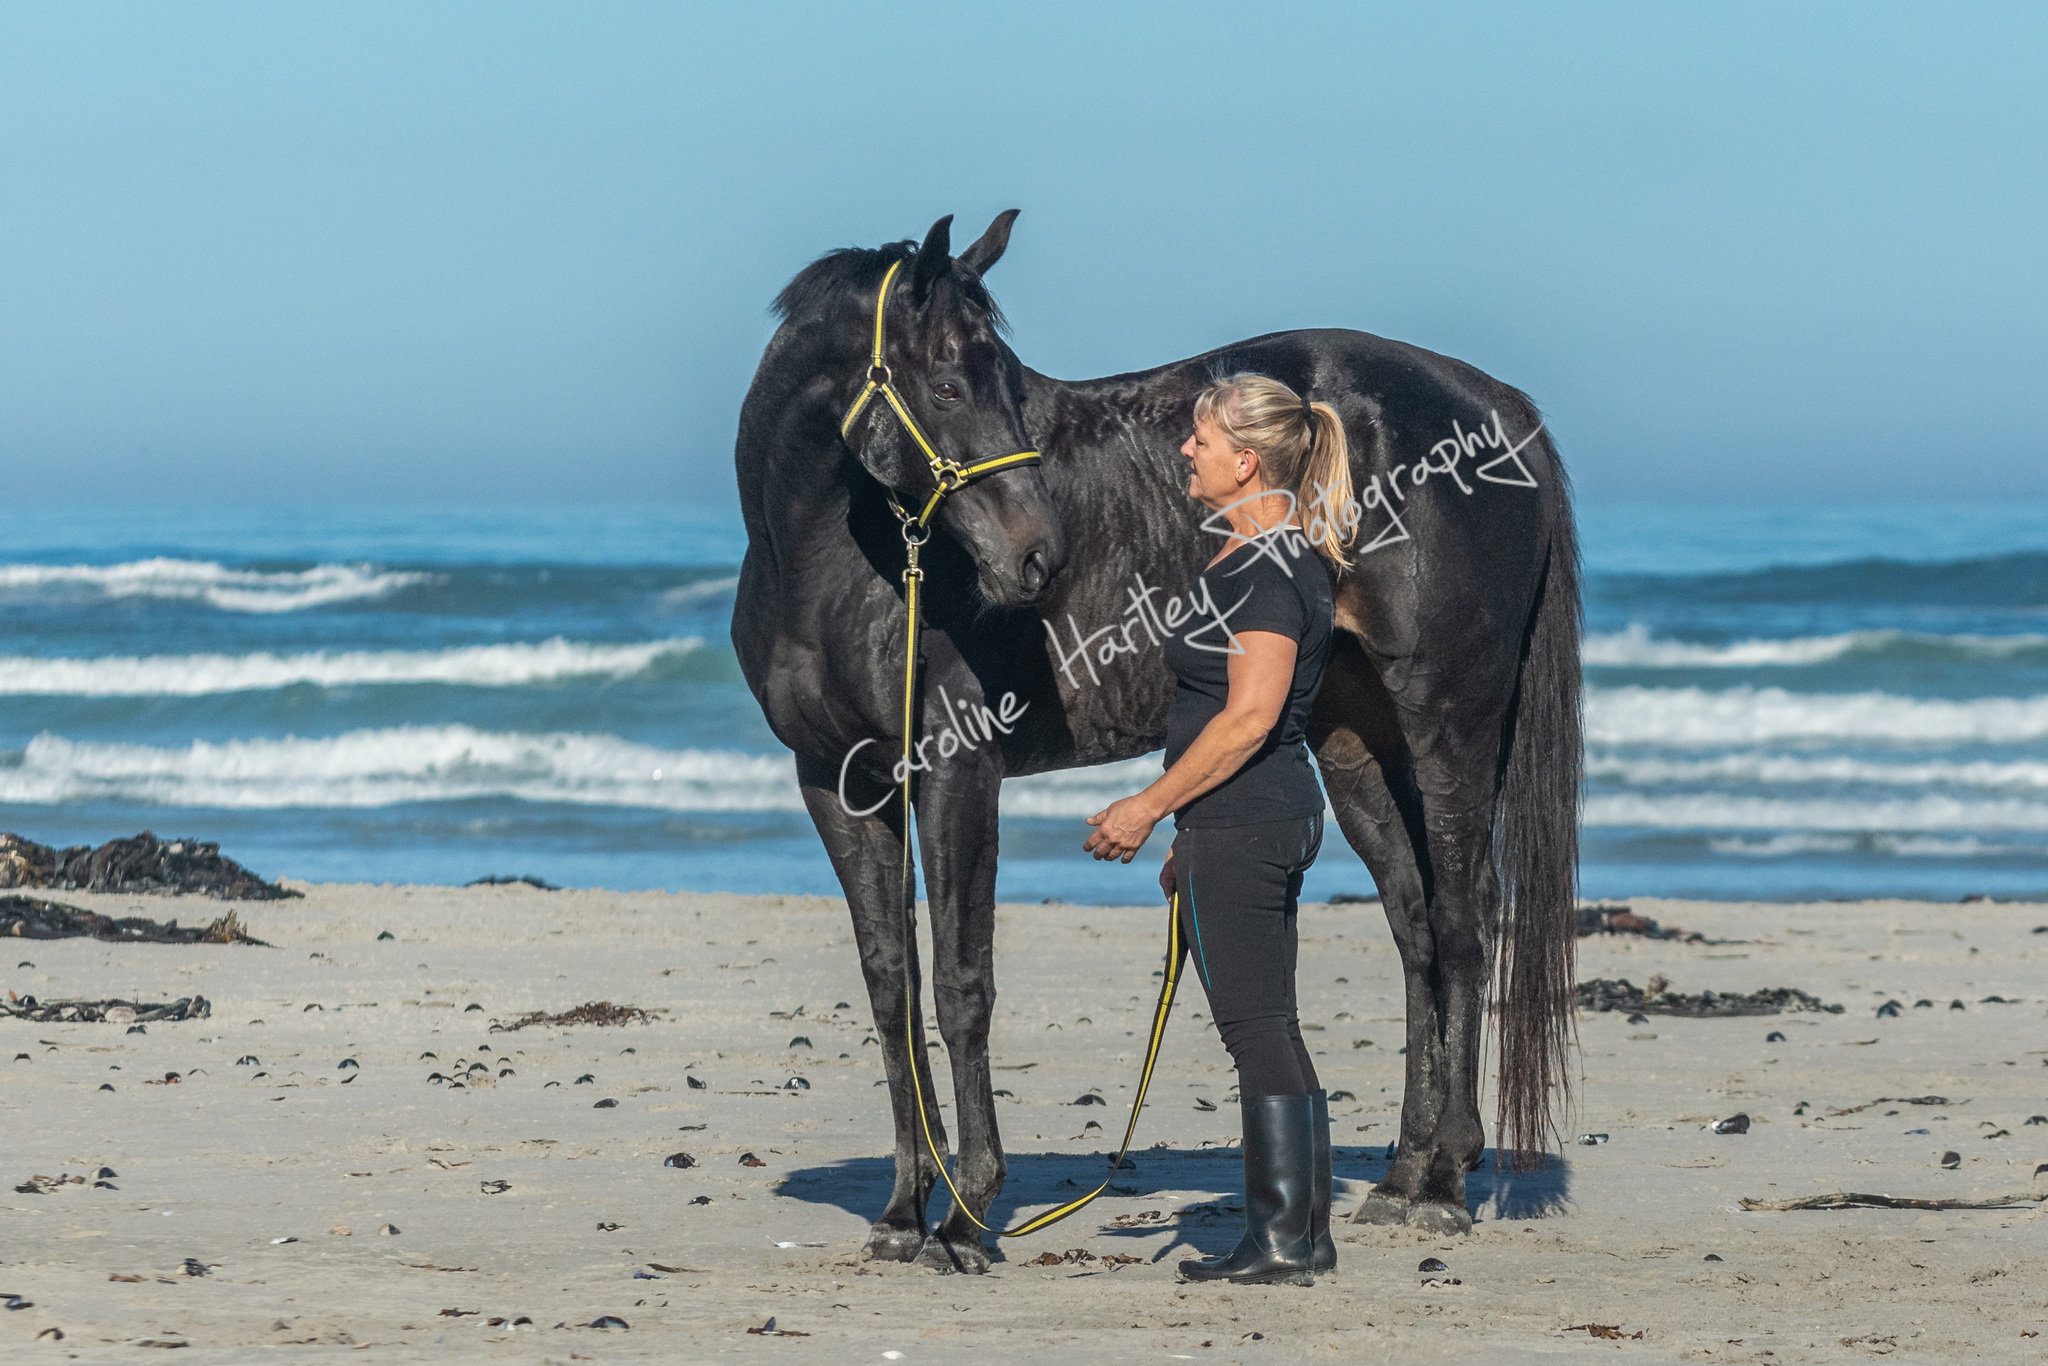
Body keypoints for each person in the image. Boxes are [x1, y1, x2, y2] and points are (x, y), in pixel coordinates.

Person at [1082, 371, 1355, 1286]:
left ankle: (1281, 1241)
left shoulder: (1270, 571)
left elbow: (1249, 718)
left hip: (1252, 817)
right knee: (1271, 1022)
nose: (1185, 451)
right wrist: (1185, 834)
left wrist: (1146, 806)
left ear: (1246, 462)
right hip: (1241, 819)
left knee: (1255, 1028)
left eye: (1201, 439)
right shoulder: (1251, 559)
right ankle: (1302, 1235)